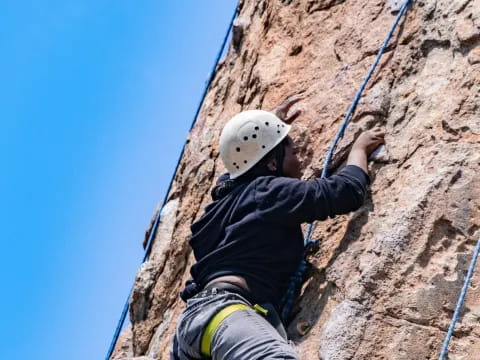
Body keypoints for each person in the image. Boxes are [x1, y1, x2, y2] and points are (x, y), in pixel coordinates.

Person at [170, 101, 385, 360]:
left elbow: (234, 175)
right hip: (227, 318)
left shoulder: (220, 207)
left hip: (192, 331)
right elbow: (345, 192)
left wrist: (264, 128)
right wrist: (359, 149)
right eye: (293, 152)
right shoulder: (267, 191)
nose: (300, 160)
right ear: (272, 164)